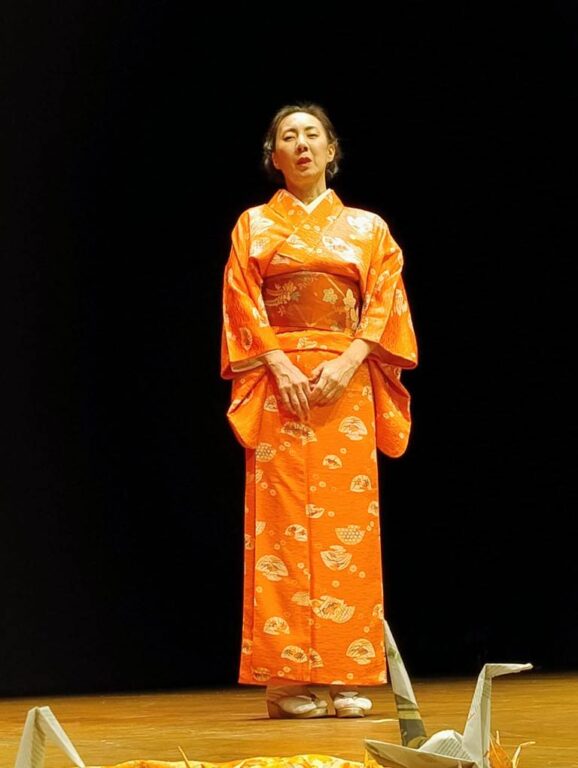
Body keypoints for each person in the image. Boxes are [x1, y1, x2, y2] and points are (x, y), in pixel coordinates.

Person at [220, 103, 417, 719]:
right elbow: (241, 299)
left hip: (345, 381)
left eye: (313, 135)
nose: (302, 144)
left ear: (332, 150)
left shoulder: (367, 228)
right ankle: (286, 682)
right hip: (280, 382)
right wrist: (278, 363)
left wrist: (351, 358)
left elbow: (384, 300)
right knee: (280, 527)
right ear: (274, 156)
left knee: (347, 523)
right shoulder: (254, 225)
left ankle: (344, 672)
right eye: (289, 137)